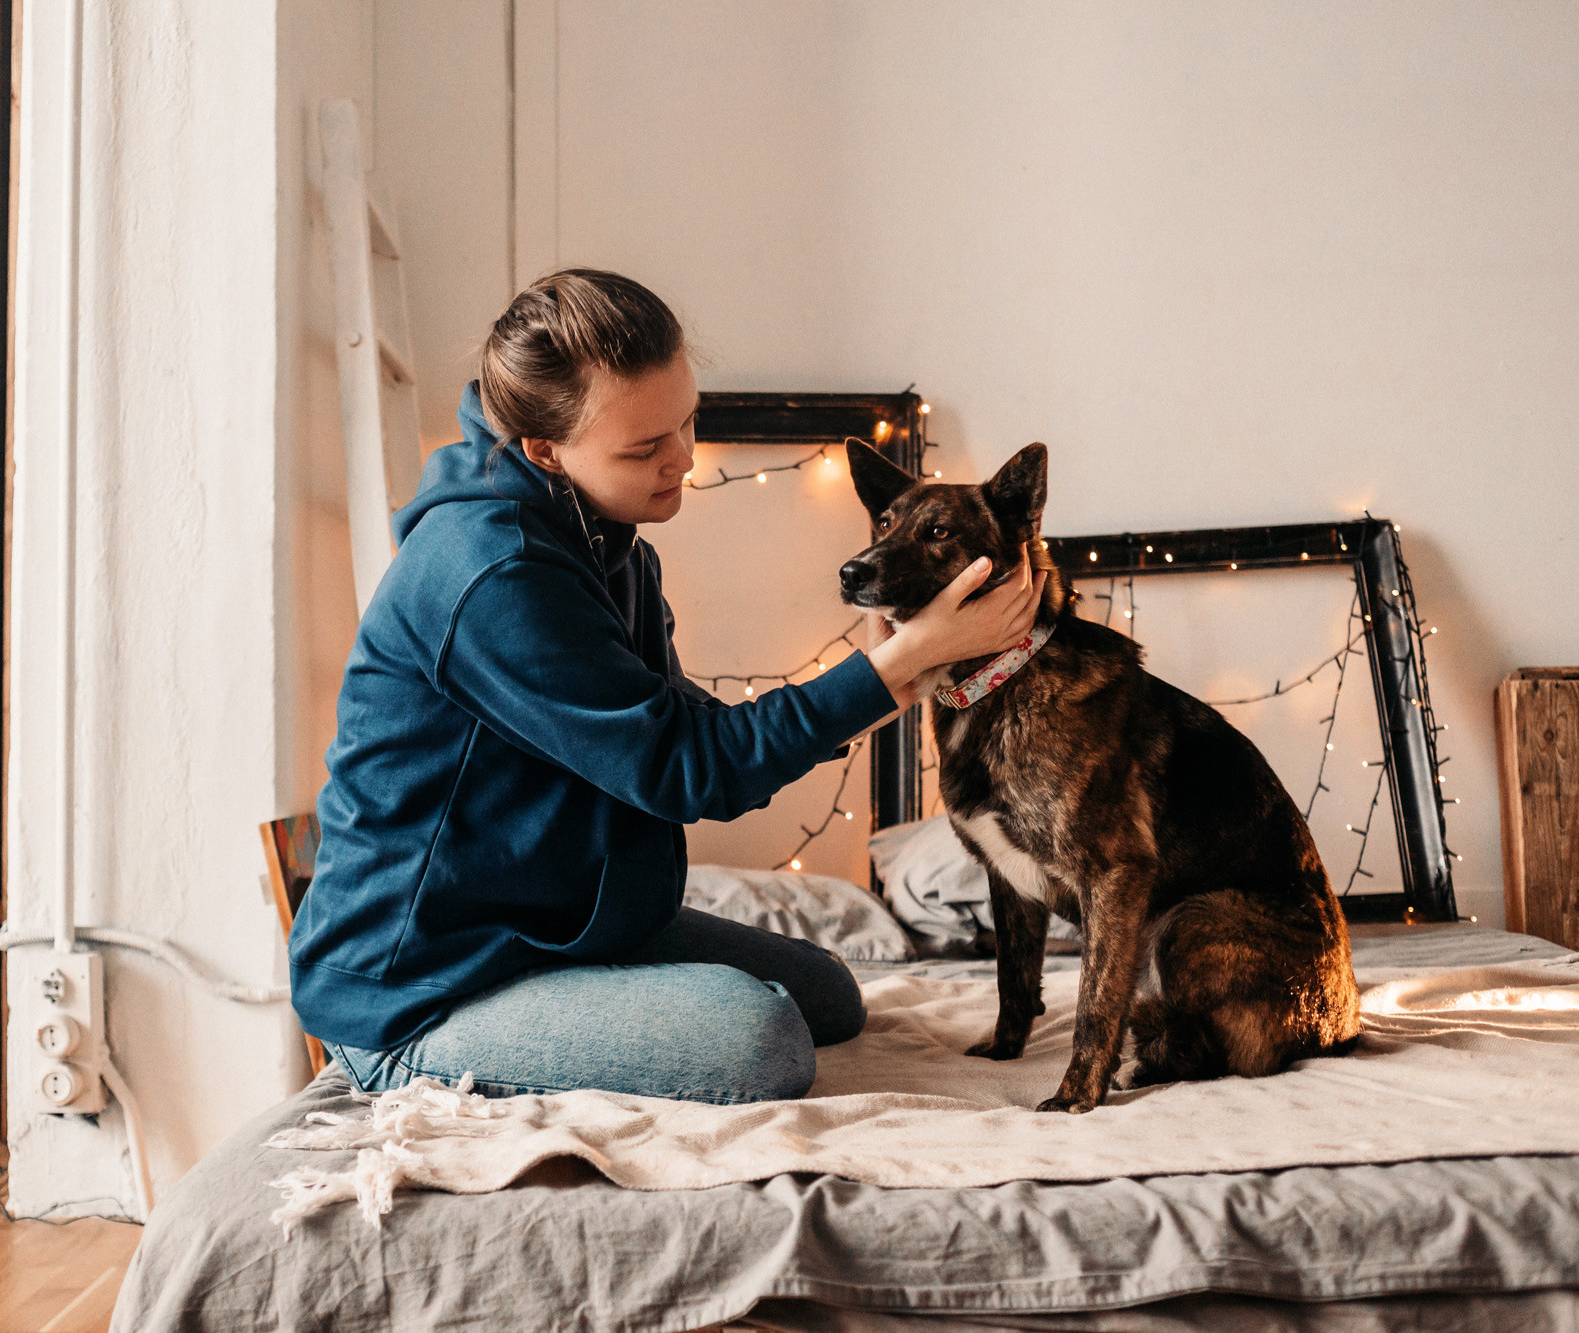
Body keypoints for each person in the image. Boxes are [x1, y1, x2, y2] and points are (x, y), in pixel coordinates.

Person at [290, 269, 1043, 1104]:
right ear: (545, 447)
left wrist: (890, 671)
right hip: (422, 984)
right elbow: (688, 770)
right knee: (763, 1040)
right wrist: (896, 667)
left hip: (558, 930)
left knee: (830, 994)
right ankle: (398, 1058)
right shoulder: (492, 572)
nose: (683, 460)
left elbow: (683, 727)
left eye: (687, 421)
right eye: (645, 447)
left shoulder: (609, 542)